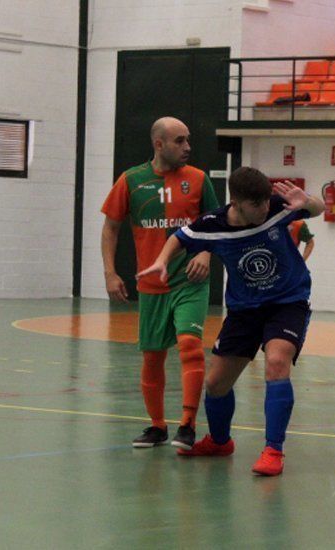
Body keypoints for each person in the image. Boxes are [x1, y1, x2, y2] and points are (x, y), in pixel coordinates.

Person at [137, 168, 325, 476]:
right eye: (257, 204)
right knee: (215, 384)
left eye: (266, 201)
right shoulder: (213, 224)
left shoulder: (278, 208)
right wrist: (160, 260)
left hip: (287, 302)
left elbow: (318, 209)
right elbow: (180, 238)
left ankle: (273, 450)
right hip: (244, 310)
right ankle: (220, 442)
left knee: (277, 361)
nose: (264, 208)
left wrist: (309, 201)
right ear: (236, 202)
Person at [101, 117, 219, 450]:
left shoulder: (198, 180)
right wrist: (110, 272)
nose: (187, 147)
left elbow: (217, 224)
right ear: (159, 144)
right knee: (152, 356)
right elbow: (110, 228)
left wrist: (206, 254)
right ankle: (157, 426)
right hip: (151, 284)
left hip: (190, 281)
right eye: (179, 141)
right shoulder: (131, 180)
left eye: (188, 140)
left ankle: (187, 425)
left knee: (190, 346)